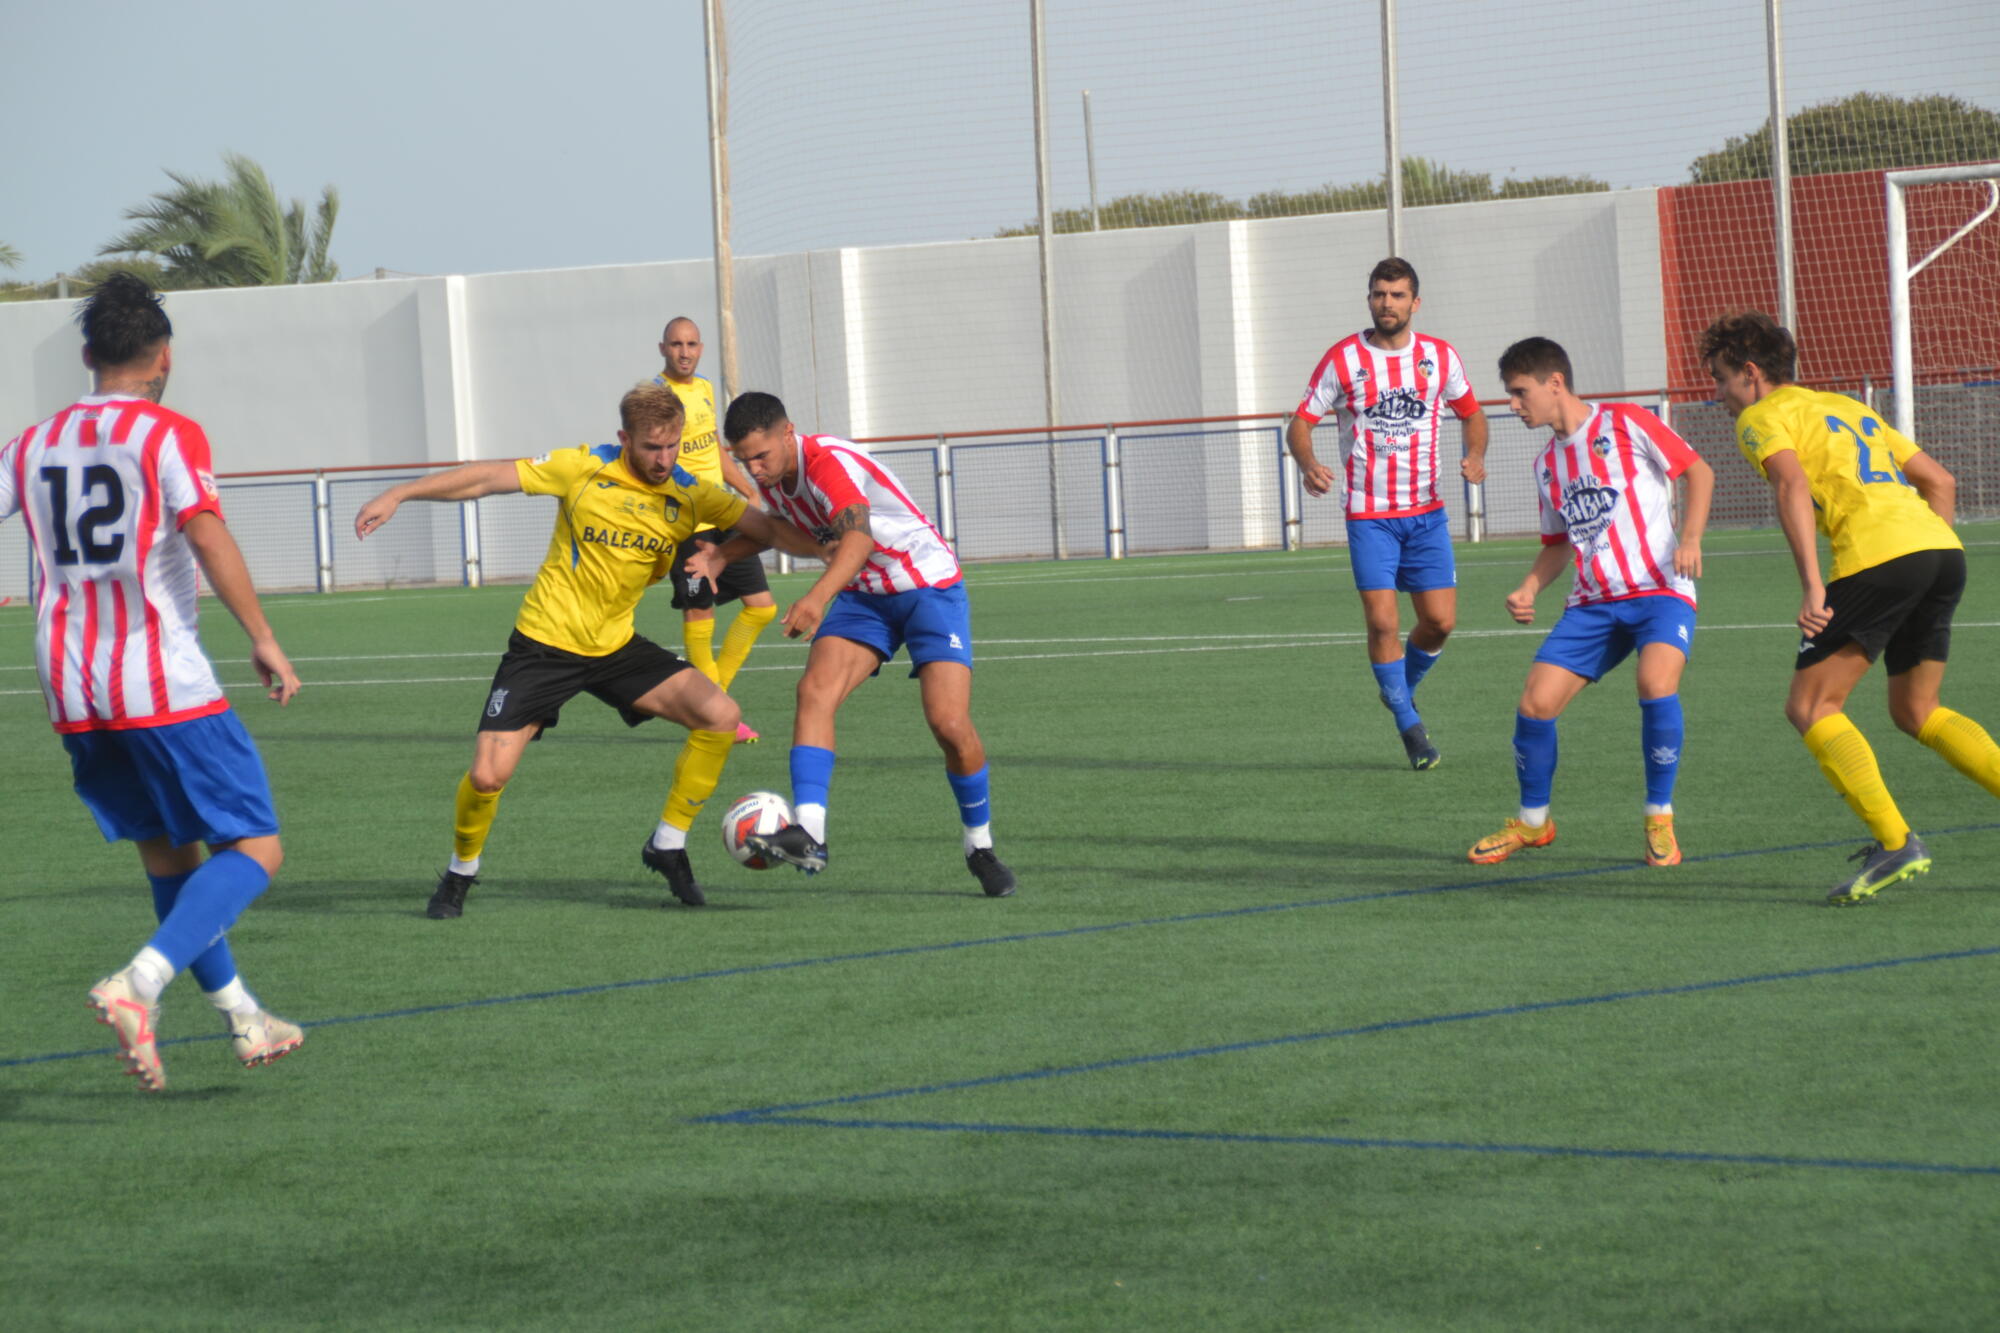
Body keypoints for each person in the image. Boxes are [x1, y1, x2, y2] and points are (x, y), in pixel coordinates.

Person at [0, 273, 305, 1092]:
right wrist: (264, 637)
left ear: (87, 355)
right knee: (257, 846)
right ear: (164, 357)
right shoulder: (170, 433)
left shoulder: (30, 445)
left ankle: (245, 1017)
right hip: (158, 678)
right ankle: (139, 982)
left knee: (171, 854)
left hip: (69, 685)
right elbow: (205, 533)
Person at [353, 382, 822, 916]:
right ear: (625, 439)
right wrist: (401, 493)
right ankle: (461, 872)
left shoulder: (690, 492)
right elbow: (487, 477)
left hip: (615, 649)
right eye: (651, 447)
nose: (663, 459)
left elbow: (769, 530)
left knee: (720, 716)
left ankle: (667, 844)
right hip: (544, 647)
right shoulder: (581, 468)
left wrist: (834, 549)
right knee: (487, 776)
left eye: (671, 446)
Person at [1701, 310, 1997, 904]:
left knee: (1811, 705)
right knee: (1917, 710)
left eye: (1721, 379)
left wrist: (1812, 585)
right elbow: (1940, 482)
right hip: (1941, 551)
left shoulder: (1763, 416)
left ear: (1751, 374)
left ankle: (1896, 842)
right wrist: (1922, 553)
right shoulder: (1846, 407)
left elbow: (1790, 485)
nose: (1719, 395)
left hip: (1877, 558)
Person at [697, 391, 1016, 897]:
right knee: (813, 692)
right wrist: (722, 555)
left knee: (950, 725)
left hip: (926, 585)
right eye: (743, 459)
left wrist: (816, 598)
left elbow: (858, 539)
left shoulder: (828, 463)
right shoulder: (776, 479)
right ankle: (810, 837)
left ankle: (980, 846)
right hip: (865, 593)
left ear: (788, 433)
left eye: (761, 456)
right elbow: (777, 530)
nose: (754, 470)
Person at [1468, 337, 1713, 868]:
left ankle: (1659, 817)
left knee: (1655, 684)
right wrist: (1530, 587)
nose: (1513, 404)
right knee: (1535, 704)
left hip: (1660, 590)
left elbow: (1698, 471)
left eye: (1520, 392)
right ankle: (1534, 823)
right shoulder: (1546, 465)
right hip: (1592, 605)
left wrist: (1691, 538)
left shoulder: (1627, 422)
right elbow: (1557, 544)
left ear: (1555, 383)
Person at [1286, 257, 1490, 770]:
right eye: (1379, 294)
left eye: (1397, 295)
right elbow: (1301, 423)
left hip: (1427, 513)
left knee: (1439, 622)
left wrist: (1476, 454)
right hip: (1369, 515)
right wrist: (1308, 464)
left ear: (1415, 302)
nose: (1387, 303)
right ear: (1369, 299)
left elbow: (1472, 414)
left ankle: (1399, 689)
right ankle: (1411, 729)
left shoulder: (1439, 357)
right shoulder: (1343, 359)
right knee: (1382, 623)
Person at [653, 317, 773, 745]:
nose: (684, 352)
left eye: (691, 344)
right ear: (663, 348)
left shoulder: (704, 388)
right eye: (676, 344)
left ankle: (711, 697)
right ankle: (716, 713)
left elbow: (713, 449)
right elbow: (654, 462)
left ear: (701, 348)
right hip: (687, 524)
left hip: (723, 517)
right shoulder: (657, 399)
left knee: (761, 607)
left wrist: (746, 487)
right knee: (699, 612)